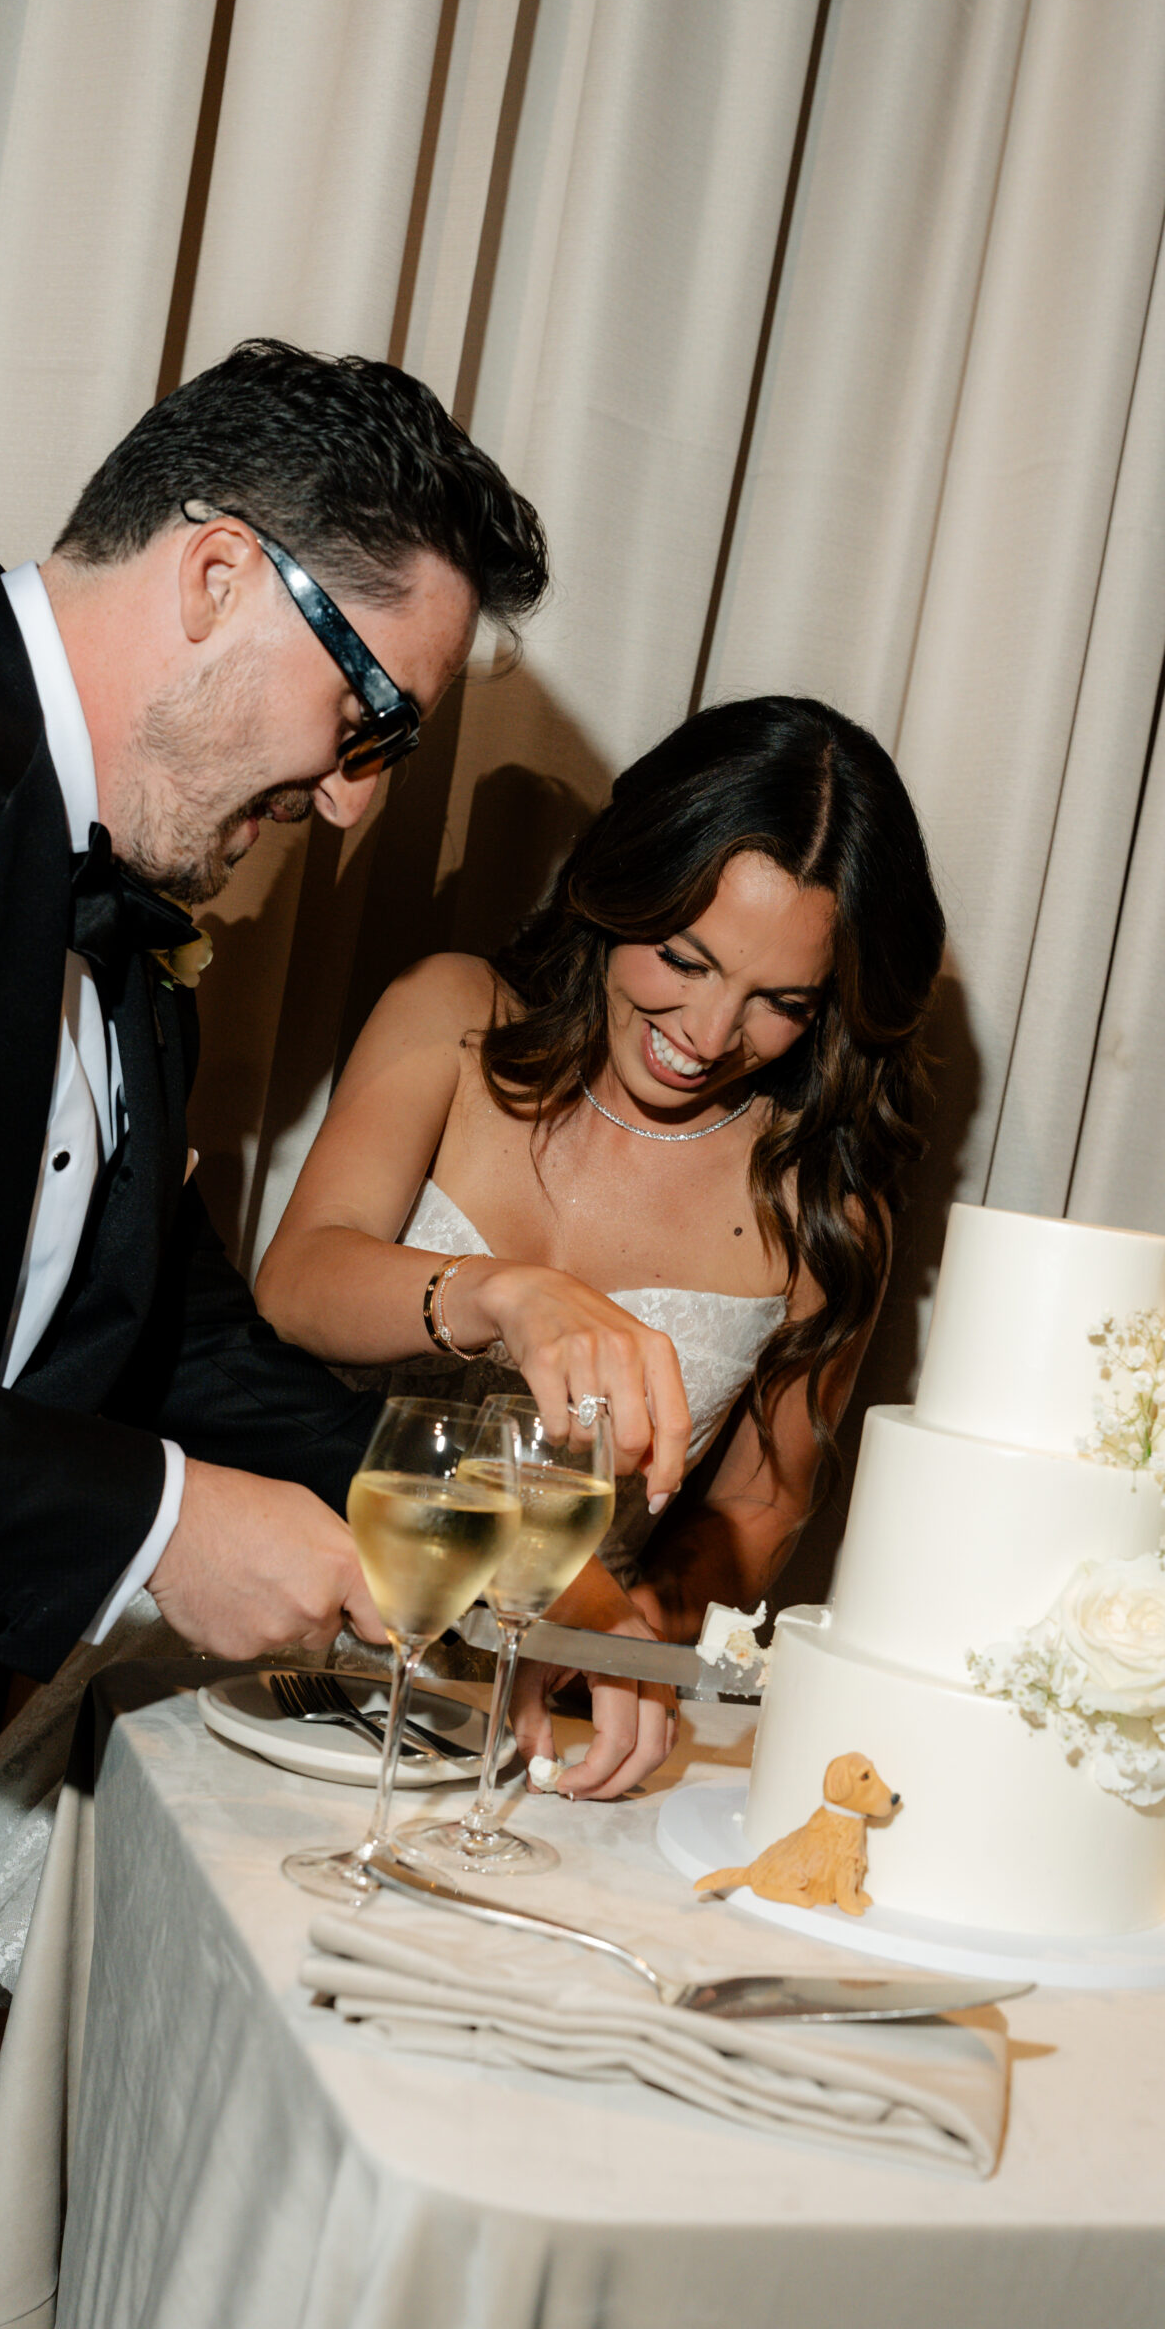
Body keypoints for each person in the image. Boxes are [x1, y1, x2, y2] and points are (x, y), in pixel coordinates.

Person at [0, 337, 548, 2329]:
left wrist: (507, 1558)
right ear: (219, 574)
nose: (361, 793)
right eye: (368, 713)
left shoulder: (118, 897)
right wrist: (144, 1526)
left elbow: (171, 1337)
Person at [255, 694, 946, 1801]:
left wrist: (620, 1639)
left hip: (539, 1740)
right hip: (277, 1638)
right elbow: (296, 1282)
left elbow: (758, 1506)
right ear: (618, 884)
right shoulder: (451, 1016)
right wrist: (508, 1298)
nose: (709, 1038)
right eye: (683, 956)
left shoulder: (823, 1203)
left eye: (782, 1003)